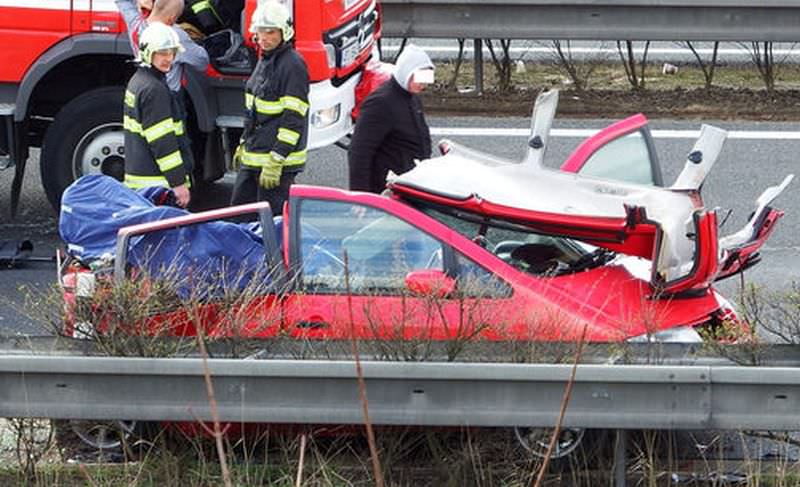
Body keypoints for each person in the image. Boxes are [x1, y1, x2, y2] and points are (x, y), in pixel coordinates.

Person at [117, 0, 209, 184]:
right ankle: (178, 185)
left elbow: (122, 2)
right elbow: (202, 61)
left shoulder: (137, 24)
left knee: (146, 144)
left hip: (147, 89)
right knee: (171, 145)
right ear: (173, 18)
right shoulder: (175, 36)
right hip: (170, 99)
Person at [230, 1, 309, 213]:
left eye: (270, 32)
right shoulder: (266, 58)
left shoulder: (292, 65)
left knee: (273, 227)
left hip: (275, 165)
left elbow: (293, 119)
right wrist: (244, 142)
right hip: (256, 157)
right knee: (240, 217)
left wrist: (277, 159)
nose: (264, 38)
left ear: (285, 32)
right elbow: (254, 111)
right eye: (260, 32)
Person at [348, 44, 435, 194]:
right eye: (420, 77)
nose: (424, 84)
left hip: (407, 185)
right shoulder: (381, 103)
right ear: (406, 72)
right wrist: (361, 196)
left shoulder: (411, 98)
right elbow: (359, 152)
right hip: (386, 191)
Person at [123, 22, 192, 207]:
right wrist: (178, 183)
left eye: (171, 53)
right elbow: (163, 141)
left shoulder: (138, 81)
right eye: (162, 53)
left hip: (140, 181)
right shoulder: (154, 90)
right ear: (148, 52)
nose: (168, 58)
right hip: (158, 185)